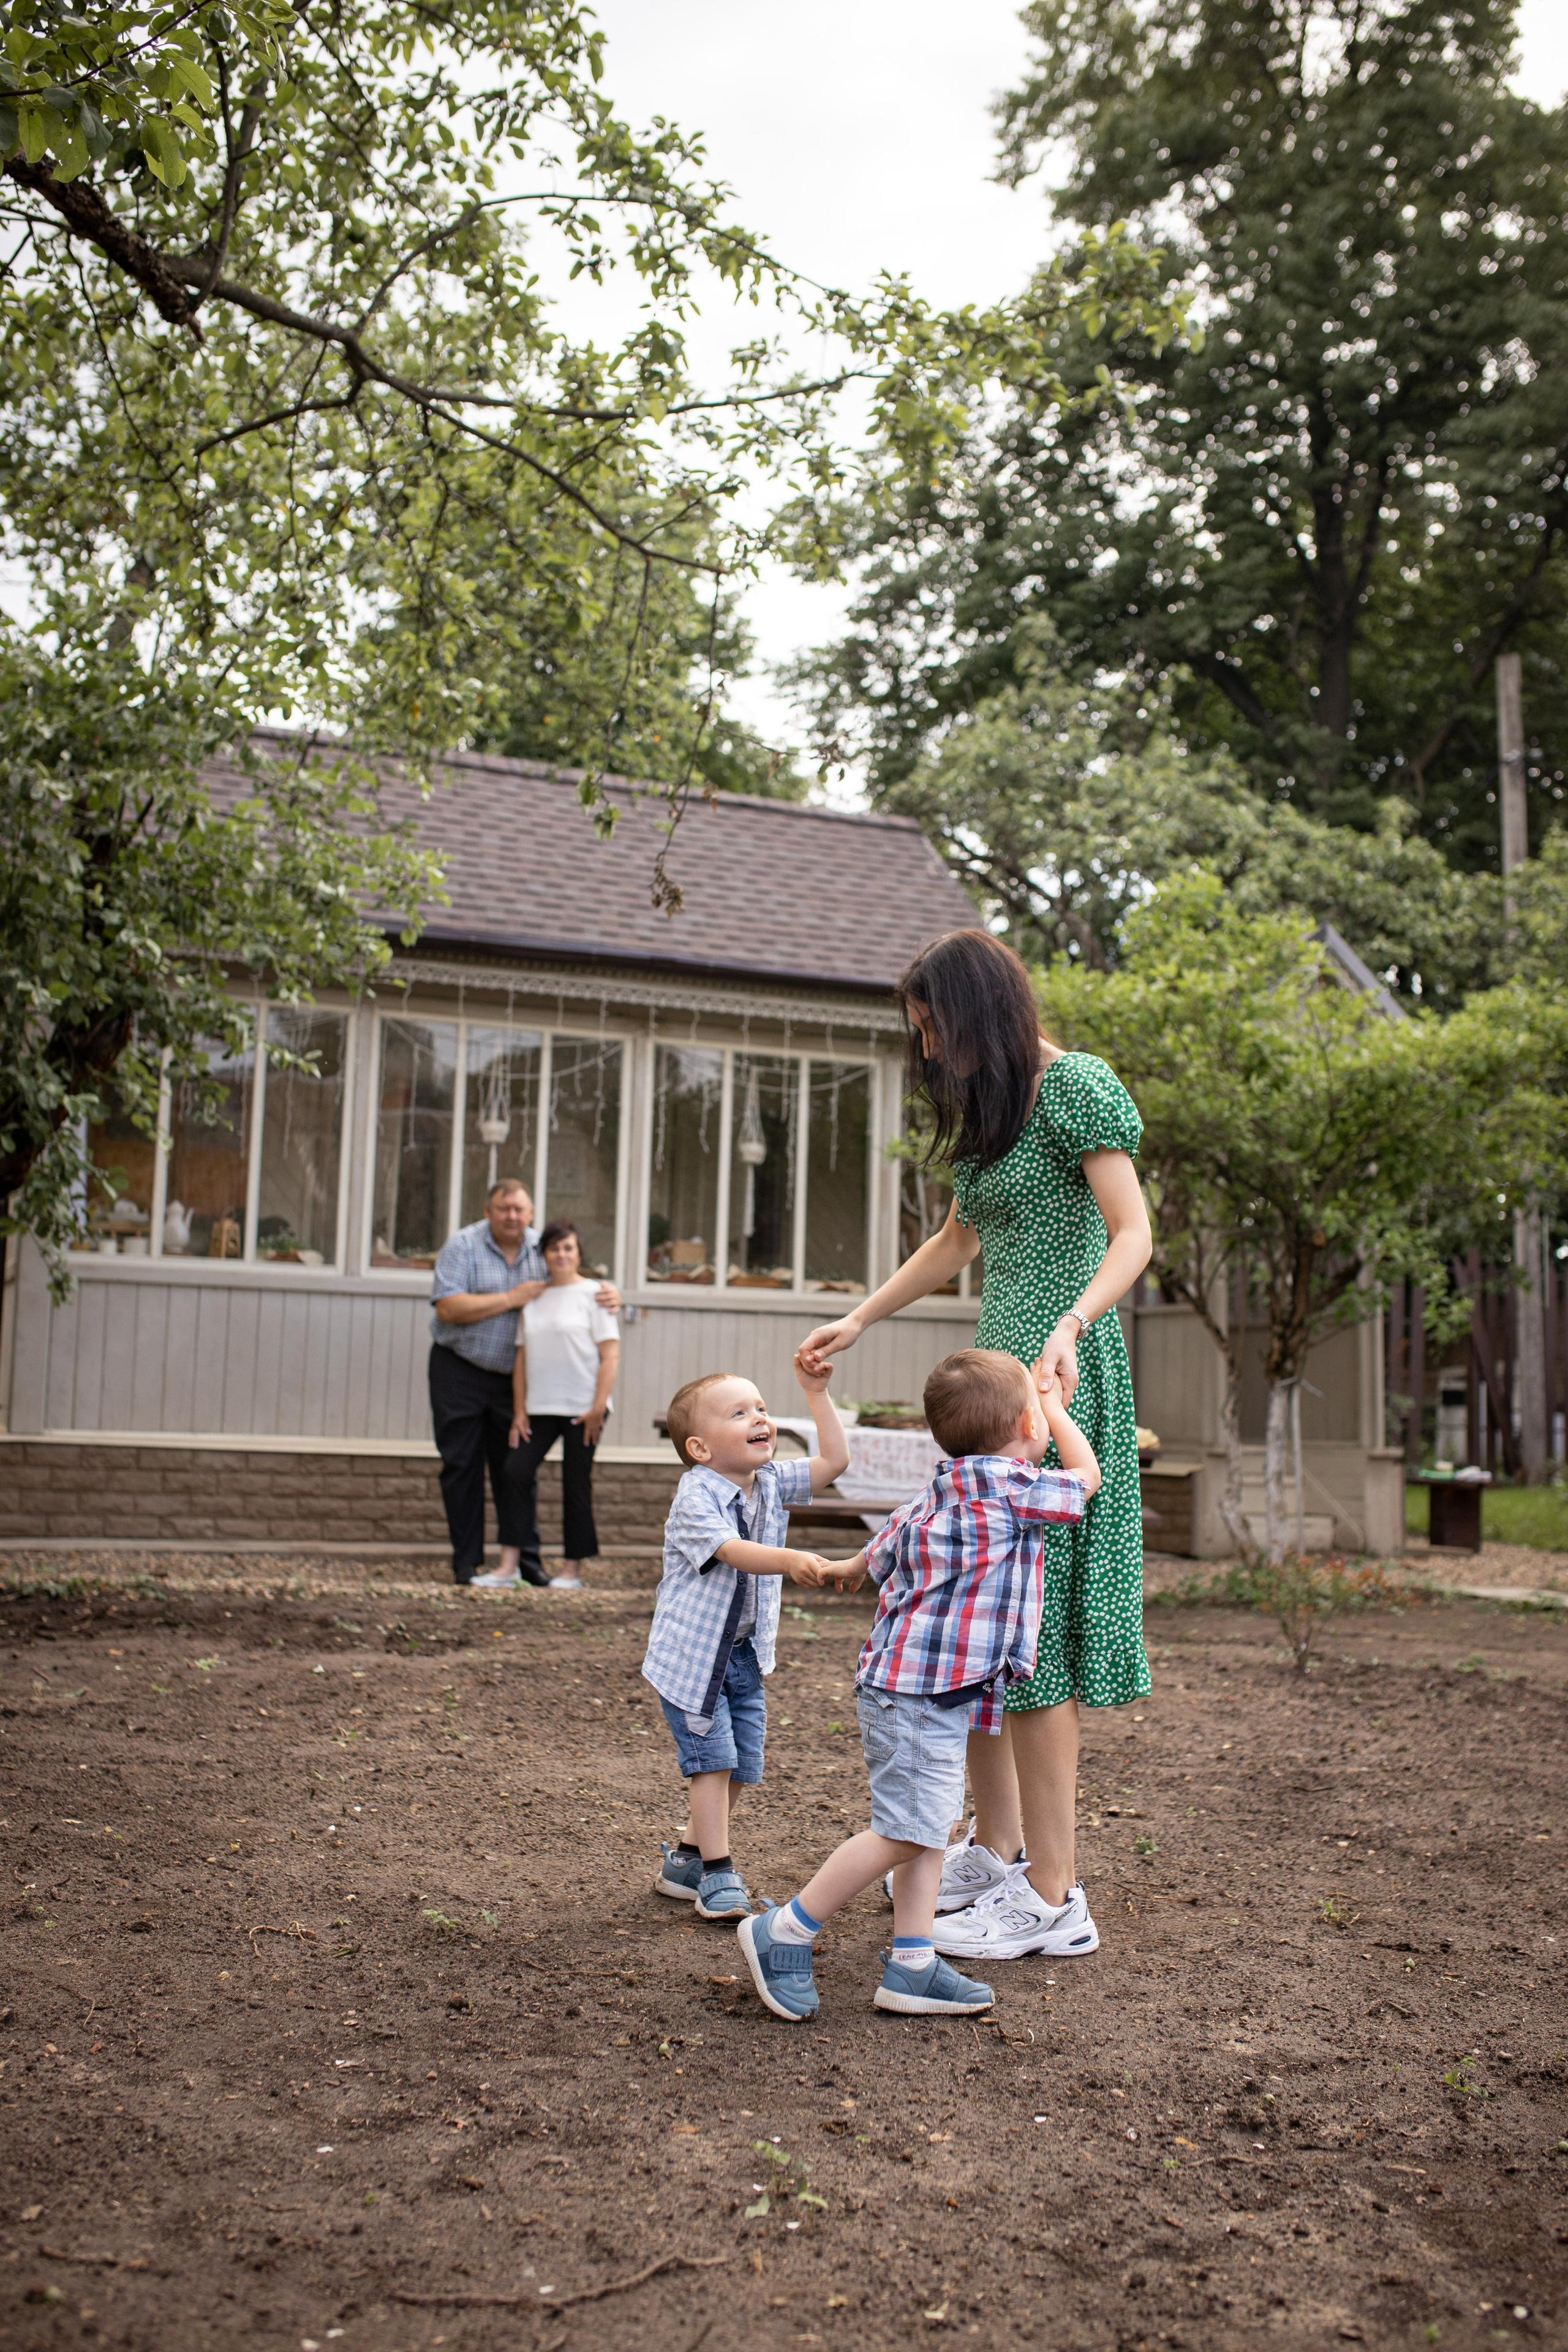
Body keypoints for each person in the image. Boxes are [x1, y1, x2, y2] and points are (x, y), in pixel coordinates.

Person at [800, 926, 1152, 1963]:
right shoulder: (997, 1113)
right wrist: (860, 1317)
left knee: (1036, 1642)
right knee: (991, 1633)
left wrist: (1074, 1324)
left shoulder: (1076, 1084)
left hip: (1058, 1378)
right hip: (997, 1379)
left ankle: (1055, 1896)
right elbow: (959, 1240)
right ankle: (998, 1856)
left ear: (978, 1011)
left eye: (932, 1026)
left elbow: (1133, 1232)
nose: (925, 1050)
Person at [737, 1348, 1100, 2022]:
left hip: (905, 1690)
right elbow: (1085, 1476)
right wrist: (1058, 1405)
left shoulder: (943, 1486)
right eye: (1037, 1414)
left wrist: (837, 1567)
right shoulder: (1015, 1490)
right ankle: (784, 1929)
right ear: (1027, 1421)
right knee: (905, 1832)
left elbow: (872, 1558)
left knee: (928, 1828)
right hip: (919, 1698)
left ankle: (912, 1965)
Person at [643, 1357, 848, 1922]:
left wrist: (817, 1393)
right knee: (712, 1765)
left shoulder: (771, 1481)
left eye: (760, 1408)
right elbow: (732, 1552)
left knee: (740, 1767)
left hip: (744, 1657)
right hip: (693, 1662)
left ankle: (685, 1861)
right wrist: (790, 1560)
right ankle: (717, 1872)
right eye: (739, 1413)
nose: (759, 1418)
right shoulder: (696, 1496)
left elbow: (835, 1461)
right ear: (700, 1448)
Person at [428, 1179, 620, 1588]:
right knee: (462, 1465)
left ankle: (527, 1564)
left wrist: (614, 1294)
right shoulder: (463, 1246)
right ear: (488, 1210)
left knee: (512, 1470)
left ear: (531, 1213)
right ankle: (468, 1562)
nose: (512, 1216)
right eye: (503, 1209)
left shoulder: (542, 1248)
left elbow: (578, 1288)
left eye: (519, 1209)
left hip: (520, 1385)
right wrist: (512, 1298)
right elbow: (447, 1308)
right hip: (461, 1369)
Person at [479, 1219, 618, 1594]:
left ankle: (572, 1570)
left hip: (582, 1409)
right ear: (544, 1254)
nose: (561, 1255)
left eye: (568, 1248)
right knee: (514, 1472)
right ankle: (509, 1565)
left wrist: (597, 1408)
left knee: (576, 1485)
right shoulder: (534, 1298)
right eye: (554, 1248)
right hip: (538, 1408)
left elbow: (610, 1356)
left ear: (578, 1253)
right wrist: (519, 1411)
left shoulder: (597, 1295)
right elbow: (521, 1361)